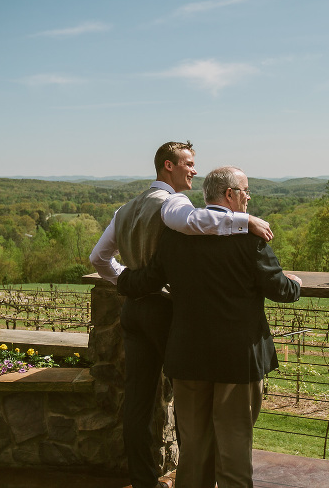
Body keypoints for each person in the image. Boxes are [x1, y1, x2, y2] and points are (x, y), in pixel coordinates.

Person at [89, 142, 273, 488]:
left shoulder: (124, 209)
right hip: (165, 310)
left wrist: (126, 280)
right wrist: (245, 219)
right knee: (193, 400)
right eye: (188, 163)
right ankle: (202, 473)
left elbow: (98, 258)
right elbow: (192, 221)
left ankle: (144, 481)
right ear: (168, 166)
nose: (193, 170)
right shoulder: (172, 203)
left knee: (138, 402)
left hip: (133, 310)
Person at [117, 166, 302, 488]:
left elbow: (147, 279)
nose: (248, 198)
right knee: (234, 450)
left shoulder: (174, 237)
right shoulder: (250, 238)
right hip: (237, 360)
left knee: (194, 451)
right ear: (230, 194)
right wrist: (295, 283)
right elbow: (280, 290)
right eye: (245, 191)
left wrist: (120, 279)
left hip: (187, 357)